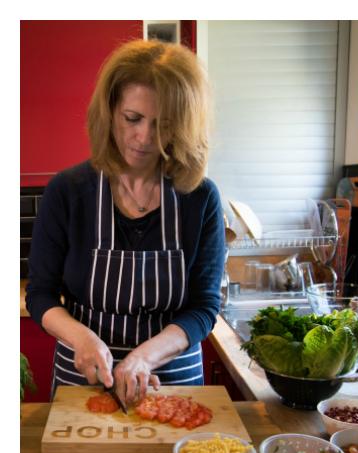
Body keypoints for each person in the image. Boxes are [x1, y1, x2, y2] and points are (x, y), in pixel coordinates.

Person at [26, 40, 224, 404]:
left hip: (170, 378)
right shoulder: (68, 192)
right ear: (110, 111)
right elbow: (40, 294)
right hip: (83, 375)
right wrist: (81, 338)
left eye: (162, 124)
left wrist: (144, 356)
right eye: (132, 118)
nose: (144, 137)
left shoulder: (199, 198)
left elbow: (205, 307)